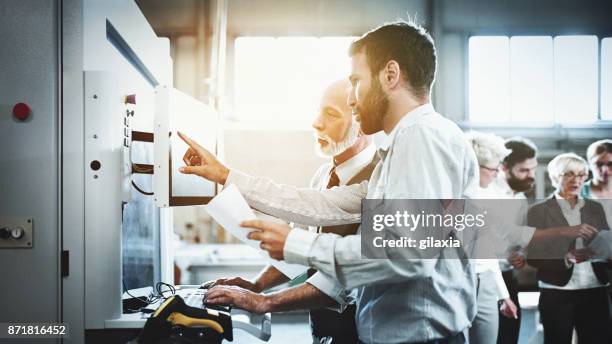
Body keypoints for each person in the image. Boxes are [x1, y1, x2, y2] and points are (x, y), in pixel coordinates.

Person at [181, 21, 480, 344]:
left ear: (390, 75)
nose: (352, 99)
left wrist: (295, 245)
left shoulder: (420, 137)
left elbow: (408, 254)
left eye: (356, 81)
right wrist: (227, 176)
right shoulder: (402, 147)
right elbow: (325, 204)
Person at [200, 79, 378, 344]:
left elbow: (344, 279)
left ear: (362, 124)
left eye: (331, 114)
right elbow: (299, 248)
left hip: (359, 327)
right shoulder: (323, 174)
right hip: (321, 323)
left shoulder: (379, 180)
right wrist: (257, 284)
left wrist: (263, 301)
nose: (316, 123)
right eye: (319, 111)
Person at [527, 153, 610, 344]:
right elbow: (532, 256)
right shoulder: (538, 211)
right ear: (555, 177)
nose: (577, 180)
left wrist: (601, 250)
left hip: (595, 288)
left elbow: (606, 244)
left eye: (582, 175)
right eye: (569, 174)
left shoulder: (595, 208)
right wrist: (567, 257)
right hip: (556, 291)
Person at [465, 131, 518, 344]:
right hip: (459, 280)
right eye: (493, 168)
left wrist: (503, 295)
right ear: (474, 166)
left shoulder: (490, 196)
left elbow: (487, 253)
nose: (497, 173)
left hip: (486, 281)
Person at [487, 137, 538, 344]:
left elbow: (516, 238)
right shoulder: (487, 193)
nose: (531, 176)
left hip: (508, 276)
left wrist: (520, 254)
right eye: (524, 170)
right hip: (486, 279)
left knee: (510, 335)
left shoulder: (519, 199)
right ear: (505, 167)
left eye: (532, 169)